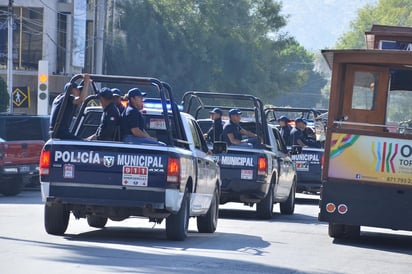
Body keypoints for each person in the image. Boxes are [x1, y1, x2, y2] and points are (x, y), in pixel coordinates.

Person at [50, 74, 91, 139]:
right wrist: (86, 83)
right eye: (77, 90)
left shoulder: (59, 98)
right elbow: (81, 100)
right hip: (61, 133)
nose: (79, 92)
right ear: (72, 90)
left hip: (57, 132)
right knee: (84, 145)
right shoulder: (67, 98)